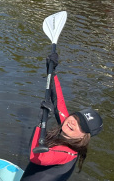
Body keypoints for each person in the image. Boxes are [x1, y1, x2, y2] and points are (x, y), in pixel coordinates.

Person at [21, 53, 103, 181]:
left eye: (81, 125)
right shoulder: (69, 126)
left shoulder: (68, 153)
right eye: (76, 117)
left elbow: (36, 156)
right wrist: (51, 70)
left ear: (83, 137)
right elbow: (58, 101)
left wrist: (40, 123)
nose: (73, 122)